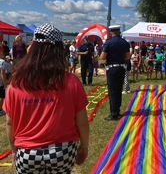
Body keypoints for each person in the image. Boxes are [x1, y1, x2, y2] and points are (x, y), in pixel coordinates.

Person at [3, 23, 89, 173]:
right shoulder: (72, 82)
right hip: (62, 151)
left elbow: (10, 123)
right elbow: (82, 122)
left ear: (33, 47)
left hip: (27, 152)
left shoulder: (16, 83)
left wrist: (14, 150)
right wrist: (84, 146)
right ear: (58, 50)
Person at [100, 25, 130, 121]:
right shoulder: (125, 42)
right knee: (118, 90)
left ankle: (113, 114)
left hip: (112, 69)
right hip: (121, 68)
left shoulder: (108, 43)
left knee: (112, 91)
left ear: (111, 32)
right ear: (119, 31)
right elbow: (127, 57)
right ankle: (117, 110)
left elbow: (102, 57)